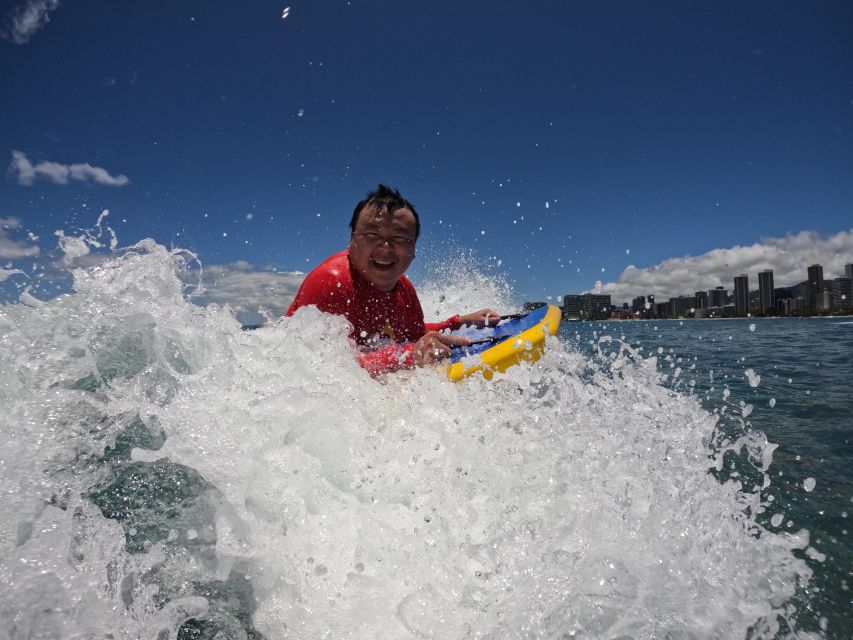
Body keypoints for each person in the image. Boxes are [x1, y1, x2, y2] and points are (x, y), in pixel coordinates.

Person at [286, 184, 499, 375]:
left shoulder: (404, 290)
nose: (385, 248)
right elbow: (320, 369)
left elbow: (412, 335)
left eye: (399, 238)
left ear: (414, 249)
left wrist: (457, 323)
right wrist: (407, 355)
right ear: (352, 239)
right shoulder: (331, 281)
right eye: (372, 235)